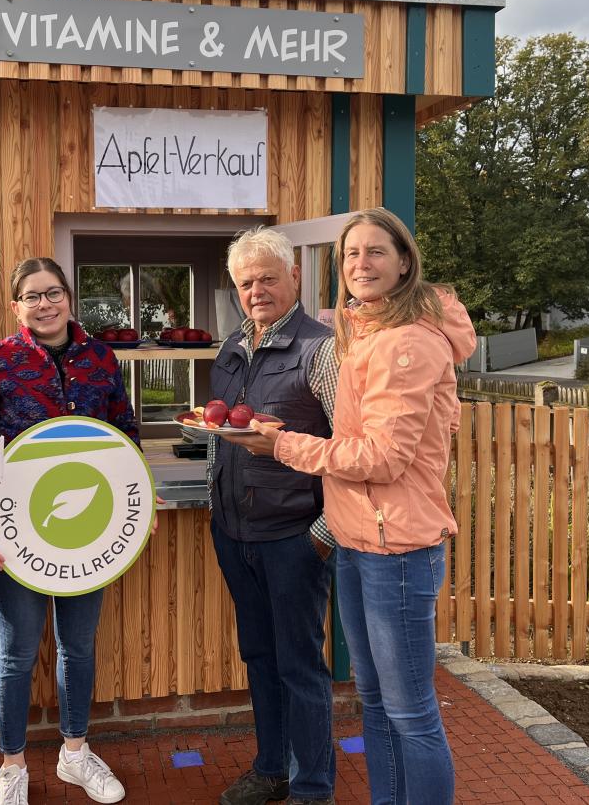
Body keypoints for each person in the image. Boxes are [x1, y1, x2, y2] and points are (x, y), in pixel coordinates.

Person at [249, 208, 476, 805]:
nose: (360, 264)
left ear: (405, 263)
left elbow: (382, 457)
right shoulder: (367, 333)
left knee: (411, 712)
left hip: (395, 550)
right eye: (351, 254)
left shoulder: (407, 343)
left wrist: (283, 444)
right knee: (374, 702)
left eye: (376, 252)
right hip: (356, 540)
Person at [0, 257, 137, 805]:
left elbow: (124, 434)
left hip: (91, 530)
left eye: (53, 293)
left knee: (77, 648)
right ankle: (12, 766)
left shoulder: (101, 357)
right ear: (17, 307)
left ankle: (75, 754)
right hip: (13, 535)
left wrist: (134, 518)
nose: (45, 304)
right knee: (17, 651)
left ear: (69, 298)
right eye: (32, 296)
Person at [209, 226, 340, 805]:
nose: (256, 290)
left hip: (294, 536)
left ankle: (313, 789)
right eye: (245, 282)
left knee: (301, 668)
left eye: (267, 277)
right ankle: (271, 770)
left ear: (295, 277)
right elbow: (223, 435)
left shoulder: (321, 349)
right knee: (259, 658)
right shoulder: (232, 347)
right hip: (235, 533)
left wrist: (324, 534)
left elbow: (351, 446)